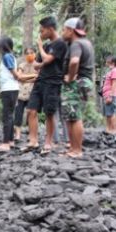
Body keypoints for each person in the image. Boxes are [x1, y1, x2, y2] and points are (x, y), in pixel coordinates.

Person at [23, 17, 68, 154]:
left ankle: (48, 143)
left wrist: (41, 48)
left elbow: (48, 59)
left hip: (53, 81)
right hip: (40, 80)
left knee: (49, 113)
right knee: (31, 110)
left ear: (50, 29)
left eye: (42, 30)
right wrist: (43, 61)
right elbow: (36, 65)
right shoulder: (48, 46)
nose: (40, 33)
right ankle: (33, 141)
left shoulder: (60, 43)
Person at [60, 17, 95, 158]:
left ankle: (77, 150)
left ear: (70, 30)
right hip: (85, 81)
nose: (62, 32)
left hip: (77, 81)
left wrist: (70, 77)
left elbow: (74, 61)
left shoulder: (76, 44)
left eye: (64, 29)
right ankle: (73, 148)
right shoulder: (86, 42)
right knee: (72, 116)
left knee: (74, 117)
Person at [0, 37, 20, 151]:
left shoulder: (6, 57)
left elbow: (14, 74)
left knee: (7, 116)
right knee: (10, 115)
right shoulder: (11, 57)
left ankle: (5, 143)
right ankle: (10, 140)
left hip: (9, 89)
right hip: (11, 88)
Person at [13, 48, 38, 141]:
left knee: (31, 113)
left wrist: (25, 78)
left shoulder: (37, 65)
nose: (29, 55)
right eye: (27, 53)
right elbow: (19, 76)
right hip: (20, 93)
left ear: (35, 54)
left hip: (32, 93)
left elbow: (38, 77)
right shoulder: (22, 65)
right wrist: (32, 76)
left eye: (31, 53)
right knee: (18, 113)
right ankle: (18, 135)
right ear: (24, 55)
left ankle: (30, 134)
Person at [101, 55, 116, 134]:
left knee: (112, 113)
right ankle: (109, 130)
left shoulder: (114, 71)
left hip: (111, 95)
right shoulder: (110, 71)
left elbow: (114, 84)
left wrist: (111, 96)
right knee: (108, 113)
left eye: (108, 60)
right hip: (107, 95)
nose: (106, 62)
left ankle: (113, 130)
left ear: (113, 62)